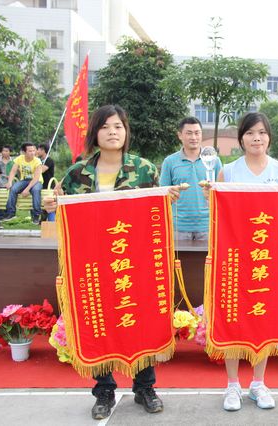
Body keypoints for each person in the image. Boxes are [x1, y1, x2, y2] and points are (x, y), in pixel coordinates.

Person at [43, 105, 180, 420]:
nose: (112, 132)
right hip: (94, 263)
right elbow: (65, 213)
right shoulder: (77, 173)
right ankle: (104, 390)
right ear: (95, 133)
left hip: (136, 261)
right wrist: (53, 204)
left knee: (140, 318)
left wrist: (167, 198)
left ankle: (145, 387)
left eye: (118, 126)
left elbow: (155, 214)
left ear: (126, 131)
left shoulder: (144, 169)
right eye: (105, 127)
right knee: (97, 321)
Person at [214, 112, 278, 412]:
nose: (256, 138)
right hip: (236, 257)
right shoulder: (228, 172)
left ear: (269, 137)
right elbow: (219, 214)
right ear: (241, 139)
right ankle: (232, 384)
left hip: (268, 256)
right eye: (250, 133)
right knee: (233, 317)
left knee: (261, 317)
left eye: (261, 132)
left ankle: (258, 383)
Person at [160, 117, 222, 240]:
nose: (194, 137)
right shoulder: (169, 162)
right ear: (180, 135)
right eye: (189, 133)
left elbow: (221, 192)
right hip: (178, 227)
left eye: (197, 133)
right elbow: (163, 194)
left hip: (208, 225)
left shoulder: (213, 160)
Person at [3, 142, 43, 224]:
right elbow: (13, 171)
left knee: (36, 190)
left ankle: (36, 215)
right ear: (24, 152)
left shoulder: (37, 161)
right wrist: (9, 182)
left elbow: (36, 178)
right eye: (30, 151)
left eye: (33, 150)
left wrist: (27, 189)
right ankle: (11, 213)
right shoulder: (19, 159)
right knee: (13, 188)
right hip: (24, 180)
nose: (33, 153)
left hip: (36, 181)